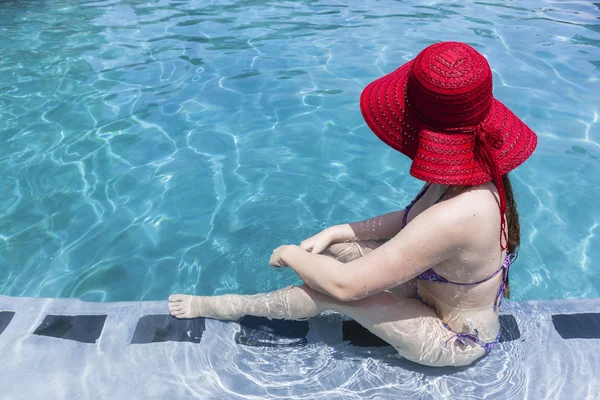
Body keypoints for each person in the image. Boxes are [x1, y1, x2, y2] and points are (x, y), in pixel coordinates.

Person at [168, 41, 537, 367]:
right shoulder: (471, 172)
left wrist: (291, 254)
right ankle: (299, 273)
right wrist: (338, 231)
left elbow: (347, 287)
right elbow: (410, 220)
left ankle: (226, 306)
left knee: (329, 293)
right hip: (434, 296)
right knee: (341, 249)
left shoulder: (460, 213)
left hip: (453, 338)